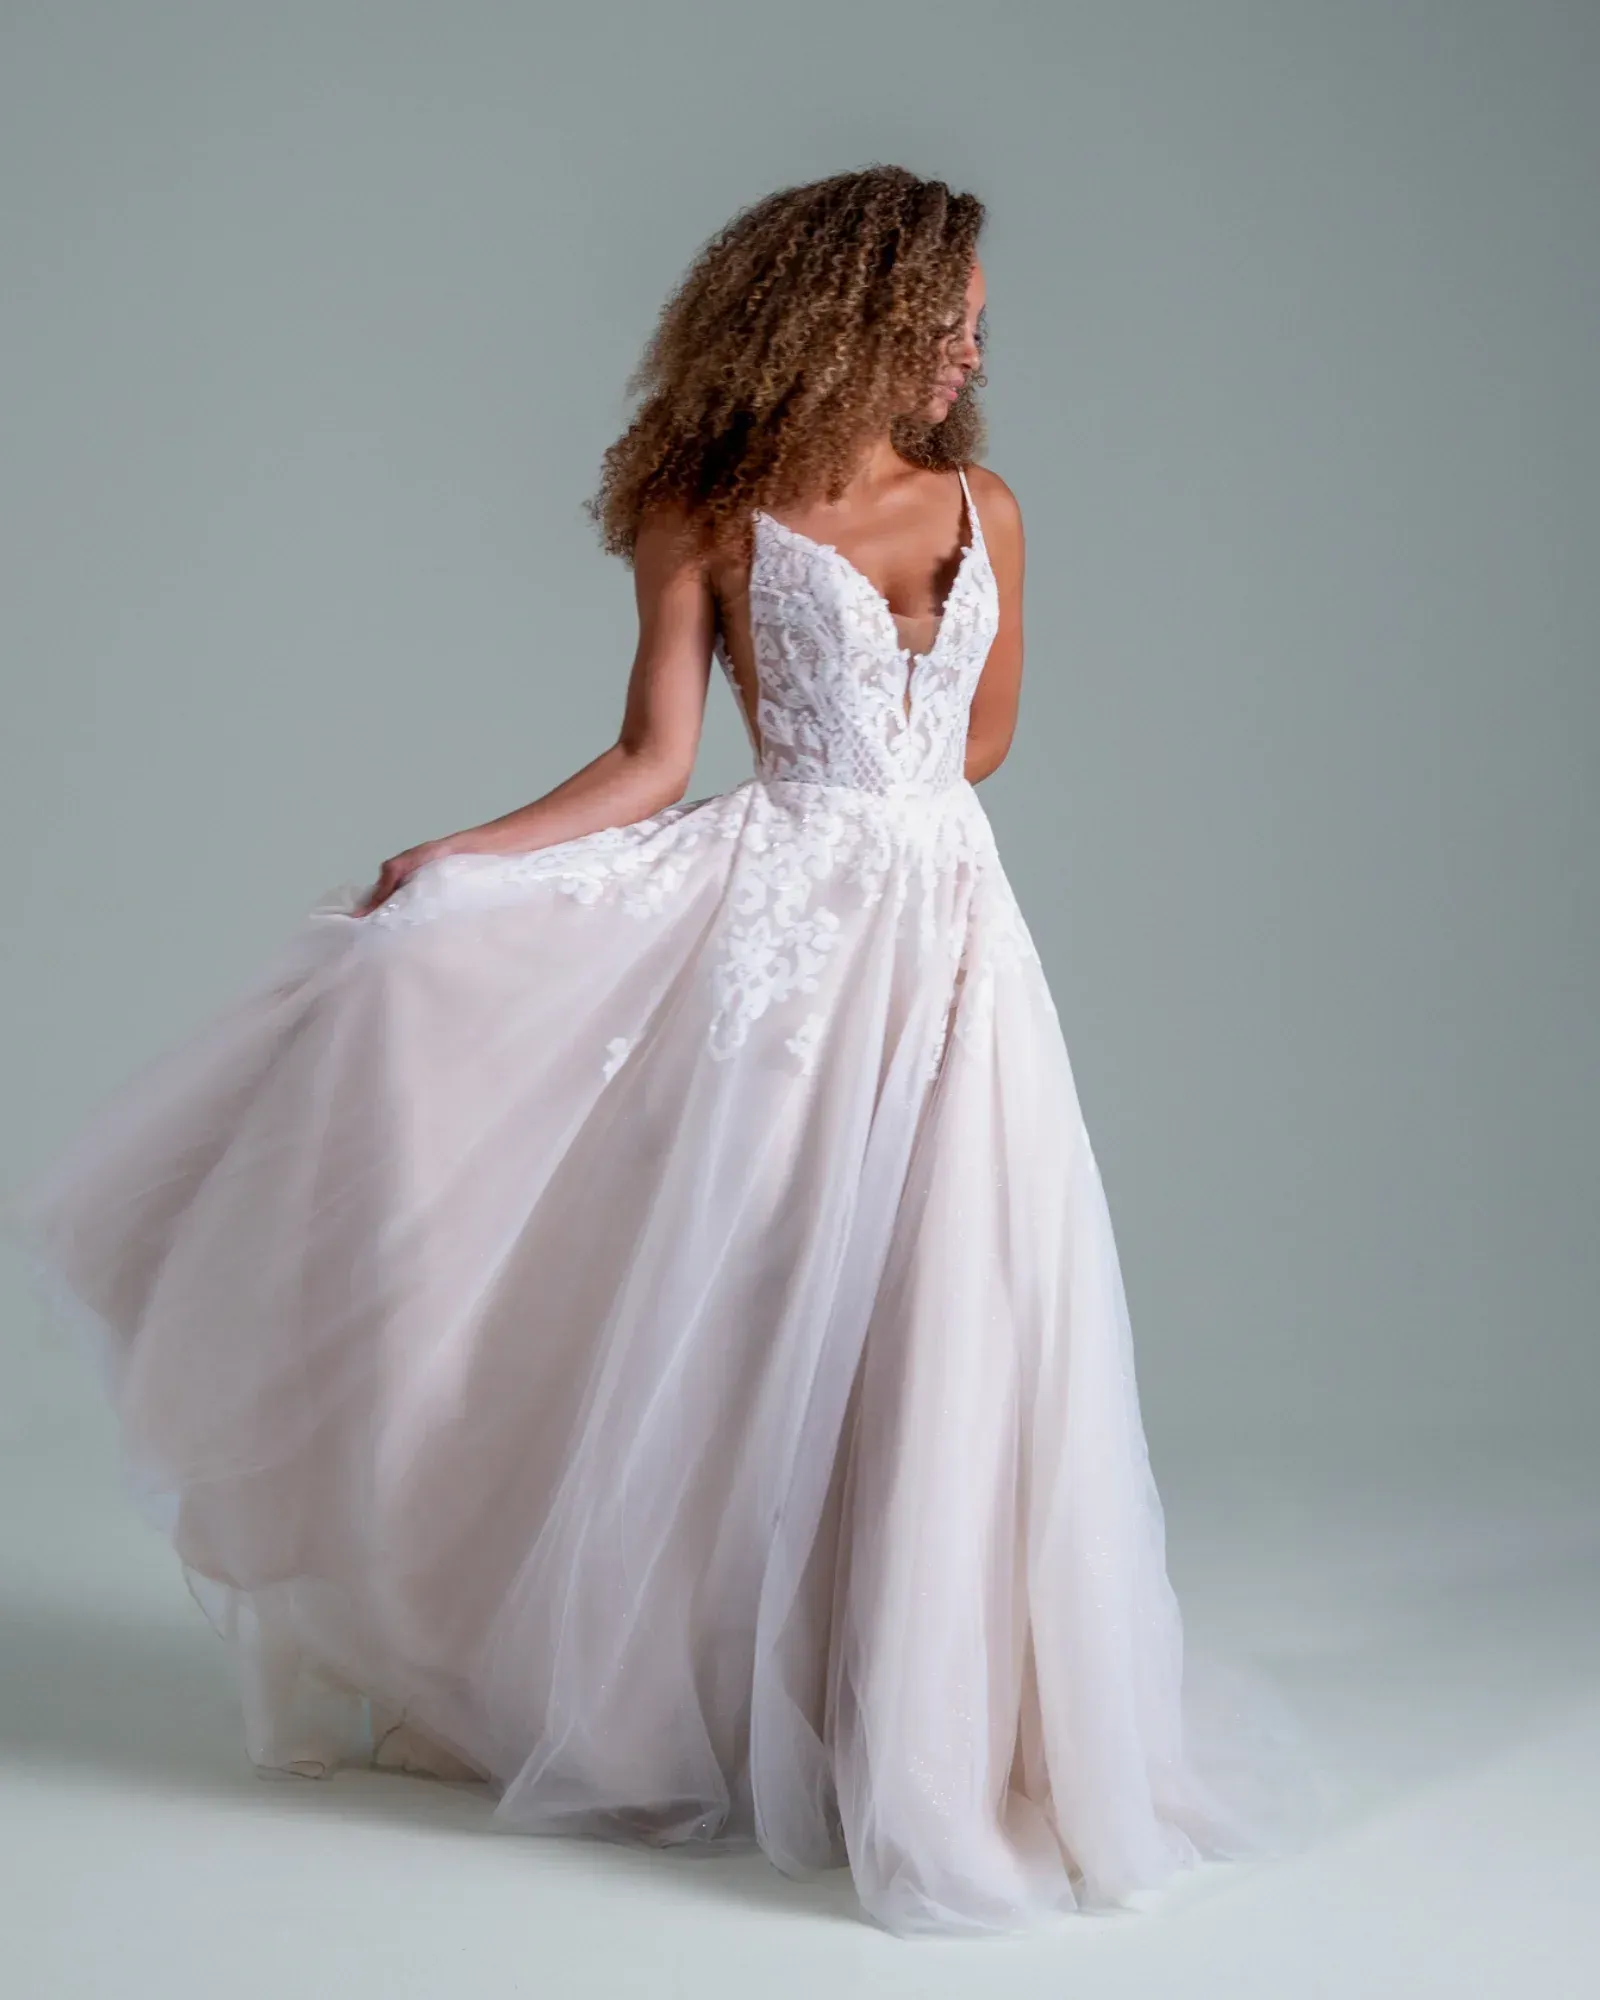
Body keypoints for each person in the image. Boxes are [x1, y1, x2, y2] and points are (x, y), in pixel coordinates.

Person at [10, 165, 1318, 1937]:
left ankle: (923, 1732)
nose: (964, 356)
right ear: (841, 311)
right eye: (942, 322)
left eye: (978, 332)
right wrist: (459, 860)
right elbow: (647, 759)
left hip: (954, 951)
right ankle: (720, 1708)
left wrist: (893, 819)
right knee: (770, 1309)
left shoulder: (986, 505)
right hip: (788, 949)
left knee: (967, 1305)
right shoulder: (701, 514)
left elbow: (981, 746)